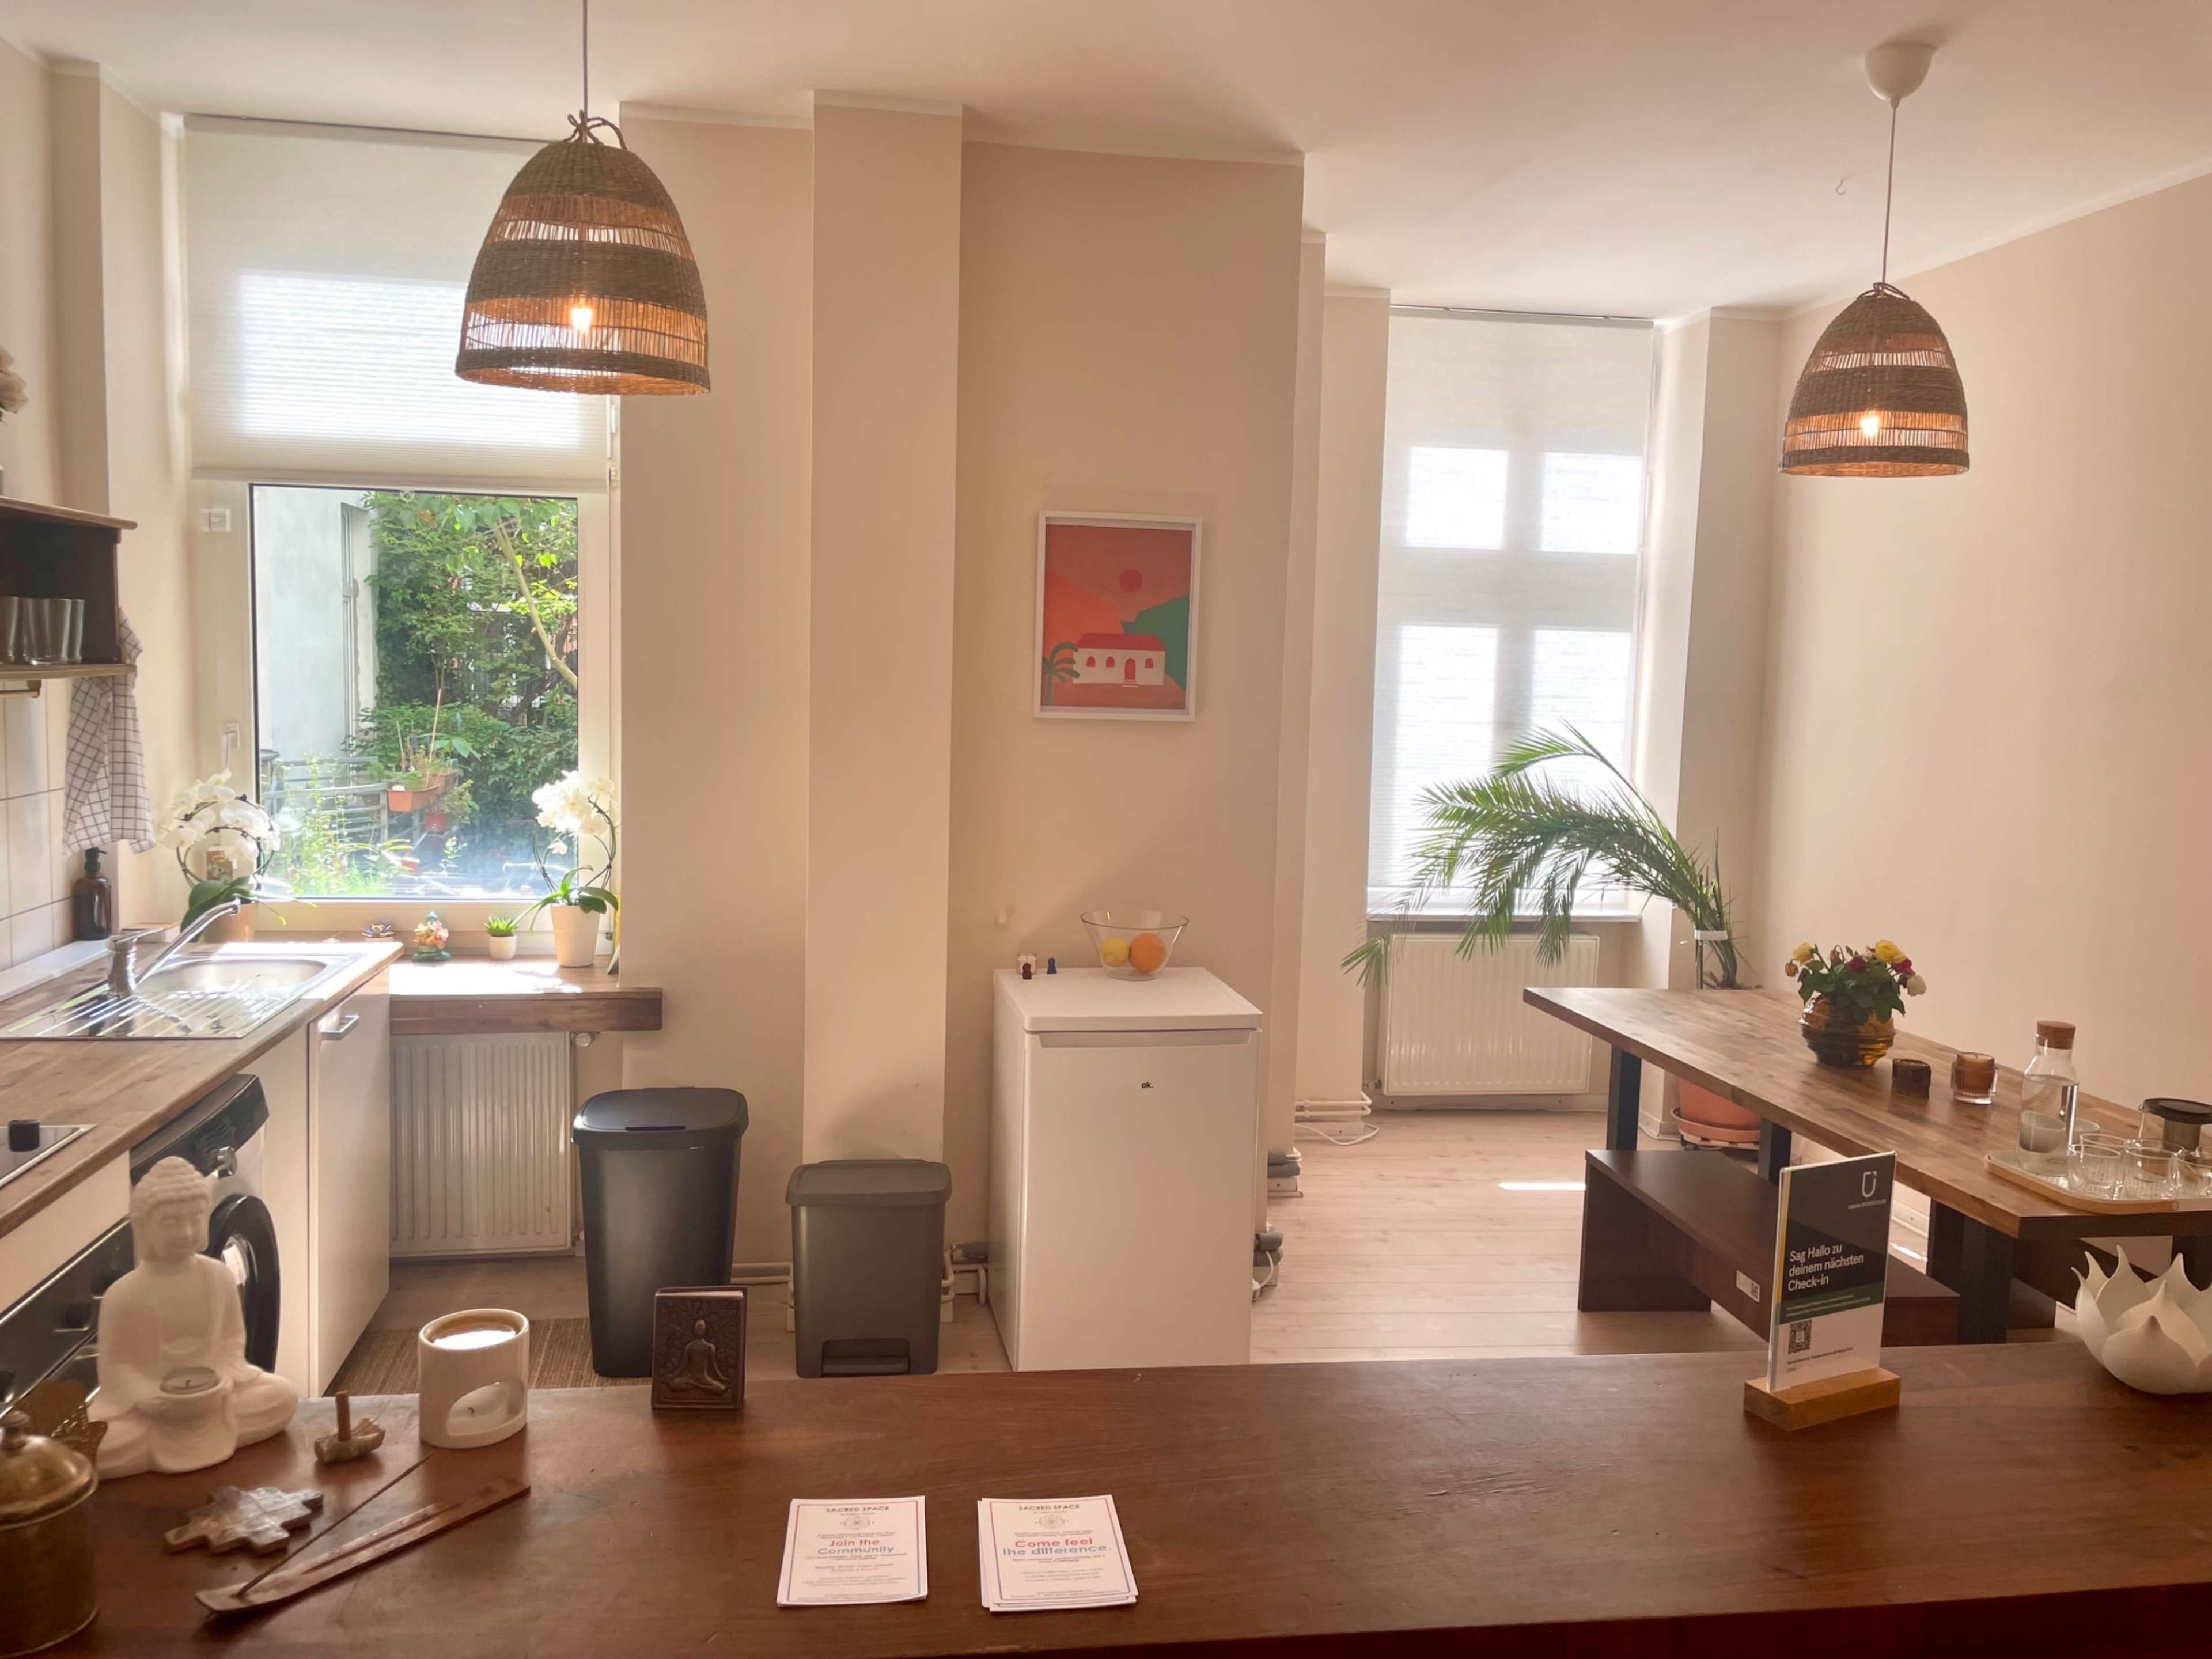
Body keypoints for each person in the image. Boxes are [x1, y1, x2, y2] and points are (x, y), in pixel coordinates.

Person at [90, 1157, 299, 1477]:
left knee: (282, 1397)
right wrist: (143, 1396)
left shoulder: (217, 1277)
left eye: (194, 1218)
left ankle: (192, 1436)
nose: (186, 1231)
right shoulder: (125, 1294)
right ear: (145, 1227)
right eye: (172, 1222)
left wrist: (226, 1377)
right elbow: (116, 1366)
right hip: (152, 1411)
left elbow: (232, 1341)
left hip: (213, 1402)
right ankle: (159, 1444)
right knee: (100, 1446)